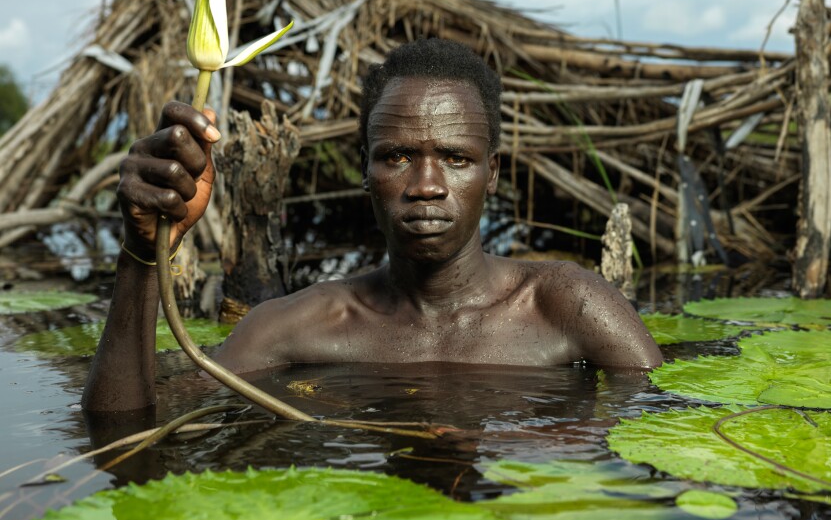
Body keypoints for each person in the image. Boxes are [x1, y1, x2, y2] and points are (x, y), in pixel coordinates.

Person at [82, 38, 661, 412]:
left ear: (492, 173)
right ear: (366, 171)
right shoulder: (294, 328)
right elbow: (122, 431)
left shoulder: (571, 307)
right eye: (397, 156)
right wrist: (139, 253)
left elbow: (669, 431)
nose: (426, 185)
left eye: (455, 158)